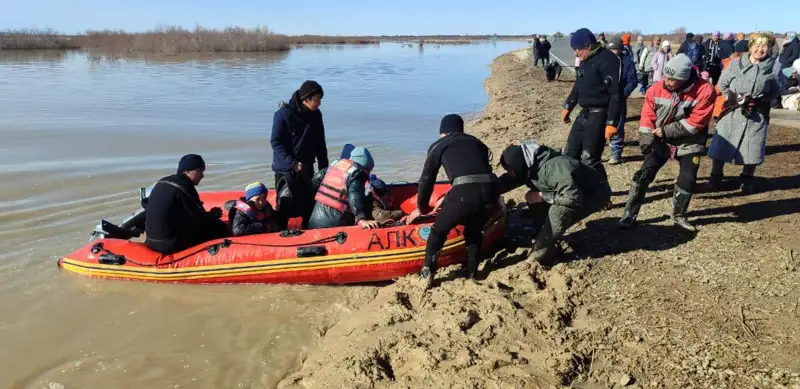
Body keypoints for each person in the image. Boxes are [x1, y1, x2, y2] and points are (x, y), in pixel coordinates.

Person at [618, 54, 715, 231]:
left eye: (672, 79)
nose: (667, 82)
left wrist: (665, 130)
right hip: (661, 139)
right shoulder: (655, 89)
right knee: (643, 174)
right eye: (665, 76)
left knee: (688, 178)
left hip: (690, 140)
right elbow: (647, 115)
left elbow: (696, 123)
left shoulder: (705, 90)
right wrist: (646, 138)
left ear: (684, 78)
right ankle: (629, 214)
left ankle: (679, 215)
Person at [408, 114, 499, 289]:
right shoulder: (478, 143)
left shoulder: (439, 145)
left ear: (442, 131)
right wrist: (451, 195)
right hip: (491, 191)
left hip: (465, 193)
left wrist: (420, 208)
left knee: (438, 231)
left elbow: (426, 179)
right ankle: (472, 272)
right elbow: (476, 173)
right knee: (474, 230)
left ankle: (426, 275)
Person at [498, 140, 611, 265]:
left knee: (558, 211)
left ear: (518, 164)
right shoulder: (529, 166)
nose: (510, 173)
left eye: (510, 170)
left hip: (594, 195)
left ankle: (539, 255)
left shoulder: (553, 168)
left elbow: (573, 198)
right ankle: (542, 232)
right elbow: (509, 181)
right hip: (570, 192)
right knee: (534, 199)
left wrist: (541, 196)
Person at [708, 32, 784, 194]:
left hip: (756, 115)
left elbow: (779, 89)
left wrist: (763, 100)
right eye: (757, 45)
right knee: (722, 145)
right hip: (732, 112)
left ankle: (747, 179)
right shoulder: (736, 64)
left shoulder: (775, 67)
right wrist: (734, 98)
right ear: (750, 47)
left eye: (764, 46)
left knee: (753, 148)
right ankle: (716, 175)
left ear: (770, 48)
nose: (760, 49)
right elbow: (723, 83)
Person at [560, 28, 621, 178]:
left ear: (588, 45)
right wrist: (568, 106)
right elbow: (578, 85)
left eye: (577, 49)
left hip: (600, 114)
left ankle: (603, 198)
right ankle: (576, 190)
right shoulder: (585, 61)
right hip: (584, 113)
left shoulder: (609, 60)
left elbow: (616, 94)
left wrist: (611, 122)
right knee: (570, 153)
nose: (576, 53)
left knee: (590, 159)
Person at [271, 80, 329, 229]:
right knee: (285, 205)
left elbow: (320, 144)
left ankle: (308, 233)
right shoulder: (282, 115)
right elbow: (275, 142)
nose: (320, 103)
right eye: (317, 99)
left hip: (307, 167)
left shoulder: (316, 115)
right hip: (285, 169)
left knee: (309, 205)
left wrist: (325, 171)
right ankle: (280, 234)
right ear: (306, 99)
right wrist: (292, 163)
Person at [145, 154, 228, 254]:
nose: (202, 175)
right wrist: (214, 217)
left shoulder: (163, 182)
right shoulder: (184, 187)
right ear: (187, 171)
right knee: (218, 228)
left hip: (152, 242)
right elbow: (200, 220)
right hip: (169, 244)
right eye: (200, 171)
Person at [308, 146, 378, 229]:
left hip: (315, 219)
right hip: (334, 223)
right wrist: (361, 218)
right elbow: (355, 194)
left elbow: (315, 180)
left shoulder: (335, 165)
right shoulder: (358, 173)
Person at [607, 37, 639, 165]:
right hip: (604, 100)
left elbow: (632, 81)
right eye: (610, 49)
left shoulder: (627, 63)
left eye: (614, 49)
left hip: (619, 100)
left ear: (620, 49)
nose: (612, 52)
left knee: (617, 125)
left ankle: (616, 152)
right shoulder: (604, 62)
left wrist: (622, 94)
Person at [713, 40, 749, 119]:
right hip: (725, 106)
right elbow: (721, 84)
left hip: (730, 105)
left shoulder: (730, 62)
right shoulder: (734, 65)